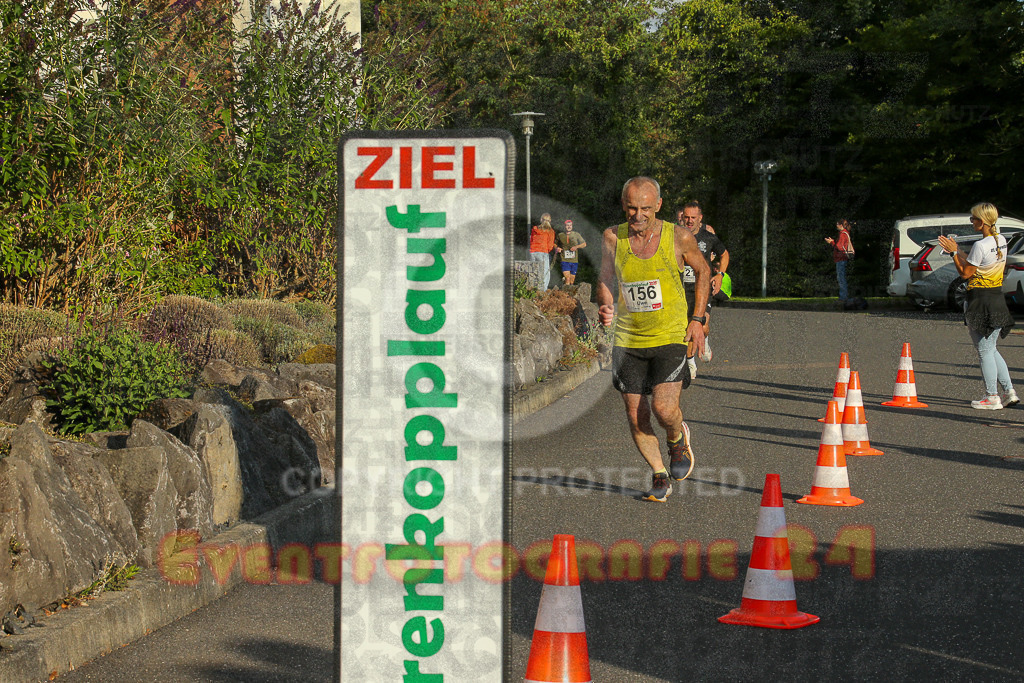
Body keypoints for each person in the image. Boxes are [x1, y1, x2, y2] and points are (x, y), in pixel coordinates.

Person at [597, 177, 710, 502]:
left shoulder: (679, 237)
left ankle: (676, 439)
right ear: (624, 205)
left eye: (645, 208)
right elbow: (605, 277)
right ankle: (659, 473)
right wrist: (606, 304)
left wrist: (697, 320)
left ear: (658, 205)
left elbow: (703, 271)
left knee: (664, 408)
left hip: (670, 334)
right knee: (637, 415)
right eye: (632, 208)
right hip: (628, 340)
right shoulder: (612, 237)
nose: (638, 215)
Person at [937, 203, 1019, 410]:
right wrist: (958, 250)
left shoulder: (980, 245)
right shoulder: (1001, 240)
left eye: (973, 218)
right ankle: (1009, 391)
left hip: (979, 301)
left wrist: (953, 254)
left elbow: (966, 273)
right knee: (991, 349)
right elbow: (976, 263)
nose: (971, 221)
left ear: (982, 222)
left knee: (984, 351)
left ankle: (992, 397)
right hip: (996, 299)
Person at [678, 201, 729, 379]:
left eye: (693, 217)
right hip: (682, 289)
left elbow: (724, 254)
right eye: (686, 217)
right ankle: (690, 362)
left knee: (702, 325)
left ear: (700, 218)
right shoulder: (675, 236)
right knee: (688, 327)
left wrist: (720, 274)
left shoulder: (708, 238)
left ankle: (704, 338)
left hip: (702, 288)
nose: (689, 221)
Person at [824, 219, 854, 302]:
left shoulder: (842, 234)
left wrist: (831, 242)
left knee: (841, 278)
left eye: (837, 224)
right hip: (842, 258)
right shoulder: (845, 233)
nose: (836, 225)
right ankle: (843, 296)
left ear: (841, 225)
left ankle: (843, 297)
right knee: (841, 277)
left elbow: (839, 247)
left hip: (841, 259)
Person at [528, 213, 556, 291]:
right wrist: (548, 251)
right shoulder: (550, 231)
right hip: (543, 252)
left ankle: (532, 290)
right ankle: (542, 291)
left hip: (533, 252)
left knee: (534, 272)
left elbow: (531, 240)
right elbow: (550, 246)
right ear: (550, 221)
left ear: (541, 220)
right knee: (545, 273)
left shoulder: (535, 229)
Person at [555, 219, 587, 286]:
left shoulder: (576, 234)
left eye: (570, 225)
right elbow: (554, 244)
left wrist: (576, 247)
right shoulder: (560, 235)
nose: (569, 226)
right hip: (564, 259)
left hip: (574, 260)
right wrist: (557, 248)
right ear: (564, 226)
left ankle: (565, 286)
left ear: (572, 226)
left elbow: (584, 244)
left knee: (572, 281)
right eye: (567, 225)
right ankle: (566, 290)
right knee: (568, 279)